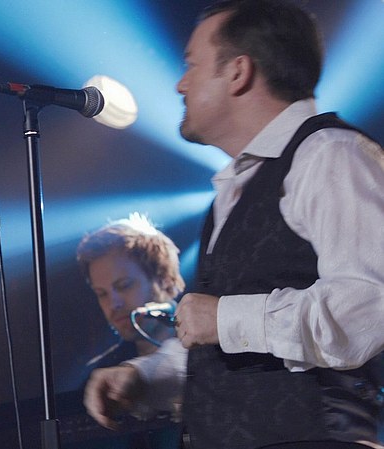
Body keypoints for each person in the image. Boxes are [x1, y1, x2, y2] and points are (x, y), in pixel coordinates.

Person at [83, 1, 384, 448]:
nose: (180, 83)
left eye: (192, 65)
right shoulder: (233, 190)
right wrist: (145, 377)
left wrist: (226, 318)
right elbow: (218, 342)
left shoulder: (330, 155)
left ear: (238, 72)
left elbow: (370, 307)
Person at [75, 213, 186, 448]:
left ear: (164, 279)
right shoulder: (97, 377)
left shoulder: (209, 342)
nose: (113, 304)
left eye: (124, 285)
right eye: (102, 294)